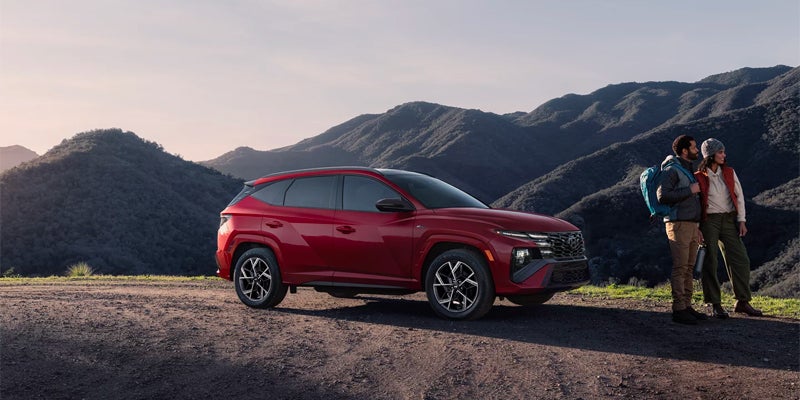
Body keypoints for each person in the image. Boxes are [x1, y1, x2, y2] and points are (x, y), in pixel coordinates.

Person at [694, 138, 762, 318]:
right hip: (709, 221)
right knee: (710, 260)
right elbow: (693, 204)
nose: (724, 155)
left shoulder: (730, 172)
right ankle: (715, 304)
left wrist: (742, 220)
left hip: (730, 219)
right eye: (721, 152)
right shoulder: (698, 176)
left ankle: (742, 301)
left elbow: (739, 197)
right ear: (710, 155)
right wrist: (696, 227)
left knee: (741, 259)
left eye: (723, 152)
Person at [657, 135, 707, 325]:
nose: (696, 150)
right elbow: (663, 195)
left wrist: (698, 226)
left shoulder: (686, 169)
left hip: (691, 225)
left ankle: (686, 306)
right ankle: (678, 309)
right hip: (677, 224)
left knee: (688, 268)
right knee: (680, 268)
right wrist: (691, 190)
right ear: (685, 151)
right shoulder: (671, 170)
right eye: (694, 147)